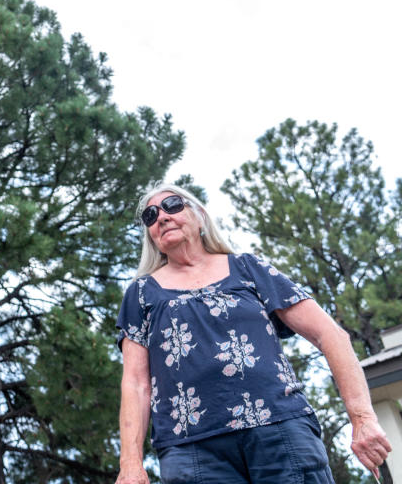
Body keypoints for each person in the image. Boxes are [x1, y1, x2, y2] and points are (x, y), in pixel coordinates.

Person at [115, 182, 391, 484]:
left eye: (172, 205)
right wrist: (130, 465)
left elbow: (330, 335)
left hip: (280, 432)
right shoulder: (141, 294)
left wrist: (362, 419)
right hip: (191, 451)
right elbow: (136, 383)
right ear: (150, 236)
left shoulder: (248, 268)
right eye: (151, 215)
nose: (162, 217)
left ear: (201, 216)